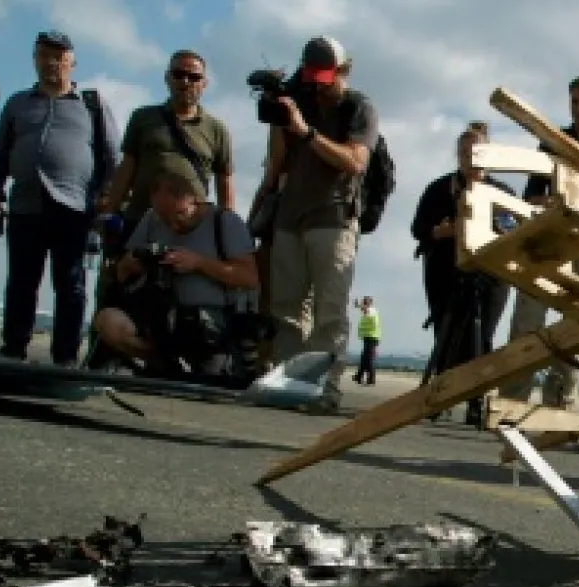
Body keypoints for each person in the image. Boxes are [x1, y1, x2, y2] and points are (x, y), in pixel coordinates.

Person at [0, 30, 120, 366]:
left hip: (74, 207)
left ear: (72, 62)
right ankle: (13, 349)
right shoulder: (17, 103)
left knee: (70, 285)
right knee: (21, 282)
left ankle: (65, 357)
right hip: (26, 204)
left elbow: (113, 158)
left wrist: (106, 200)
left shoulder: (92, 105)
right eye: (44, 56)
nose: (51, 63)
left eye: (58, 57)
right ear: (34, 59)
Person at [88, 49, 235, 368]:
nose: (186, 82)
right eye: (179, 74)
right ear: (167, 78)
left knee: (179, 297)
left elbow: (225, 182)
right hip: (139, 220)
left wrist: (227, 230)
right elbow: (127, 167)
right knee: (117, 287)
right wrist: (109, 209)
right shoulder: (143, 118)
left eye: (193, 76)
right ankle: (103, 357)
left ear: (204, 83)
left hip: (189, 230)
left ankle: (169, 360)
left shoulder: (217, 130)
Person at [256, 35, 379, 414]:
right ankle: (288, 384)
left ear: (344, 70)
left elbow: (356, 162)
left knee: (330, 311)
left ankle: (325, 389)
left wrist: (306, 130)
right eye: (312, 77)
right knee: (287, 309)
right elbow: (276, 162)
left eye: (325, 77)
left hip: (334, 216)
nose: (318, 85)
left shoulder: (359, 108)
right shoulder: (301, 97)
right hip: (290, 215)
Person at [497, 73, 579, 410]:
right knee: (527, 323)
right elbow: (532, 194)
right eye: (575, 102)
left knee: (575, 326)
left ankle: (558, 404)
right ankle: (512, 402)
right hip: (550, 239)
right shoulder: (552, 141)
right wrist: (554, 203)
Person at [93, 168, 258, 374]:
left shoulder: (224, 221)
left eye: (179, 215)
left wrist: (198, 263)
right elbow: (122, 271)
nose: (173, 225)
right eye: (164, 217)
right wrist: (132, 264)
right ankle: (162, 361)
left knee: (211, 379)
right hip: (162, 317)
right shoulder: (152, 219)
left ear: (194, 200)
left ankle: (197, 363)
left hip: (208, 324)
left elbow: (249, 278)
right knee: (108, 321)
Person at [411, 121, 516, 425]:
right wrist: (441, 232)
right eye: (464, 153)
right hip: (445, 268)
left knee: (481, 338)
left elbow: (515, 231)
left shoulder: (502, 193)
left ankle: (475, 400)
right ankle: (440, 396)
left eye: (476, 153)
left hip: (490, 275)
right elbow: (419, 229)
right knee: (445, 334)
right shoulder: (439, 188)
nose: (470, 159)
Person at [353, 295, 379, 385]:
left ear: (369, 303)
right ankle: (359, 376)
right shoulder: (368, 311)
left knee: (368, 359)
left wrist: (359, 305)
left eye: (365, 301)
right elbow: (364, 310)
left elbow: (366, 310)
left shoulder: (372, 310)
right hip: (368, 337)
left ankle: (371, 379)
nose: (363, 303)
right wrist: (358, 306)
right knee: (364, 358)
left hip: (372, 337)